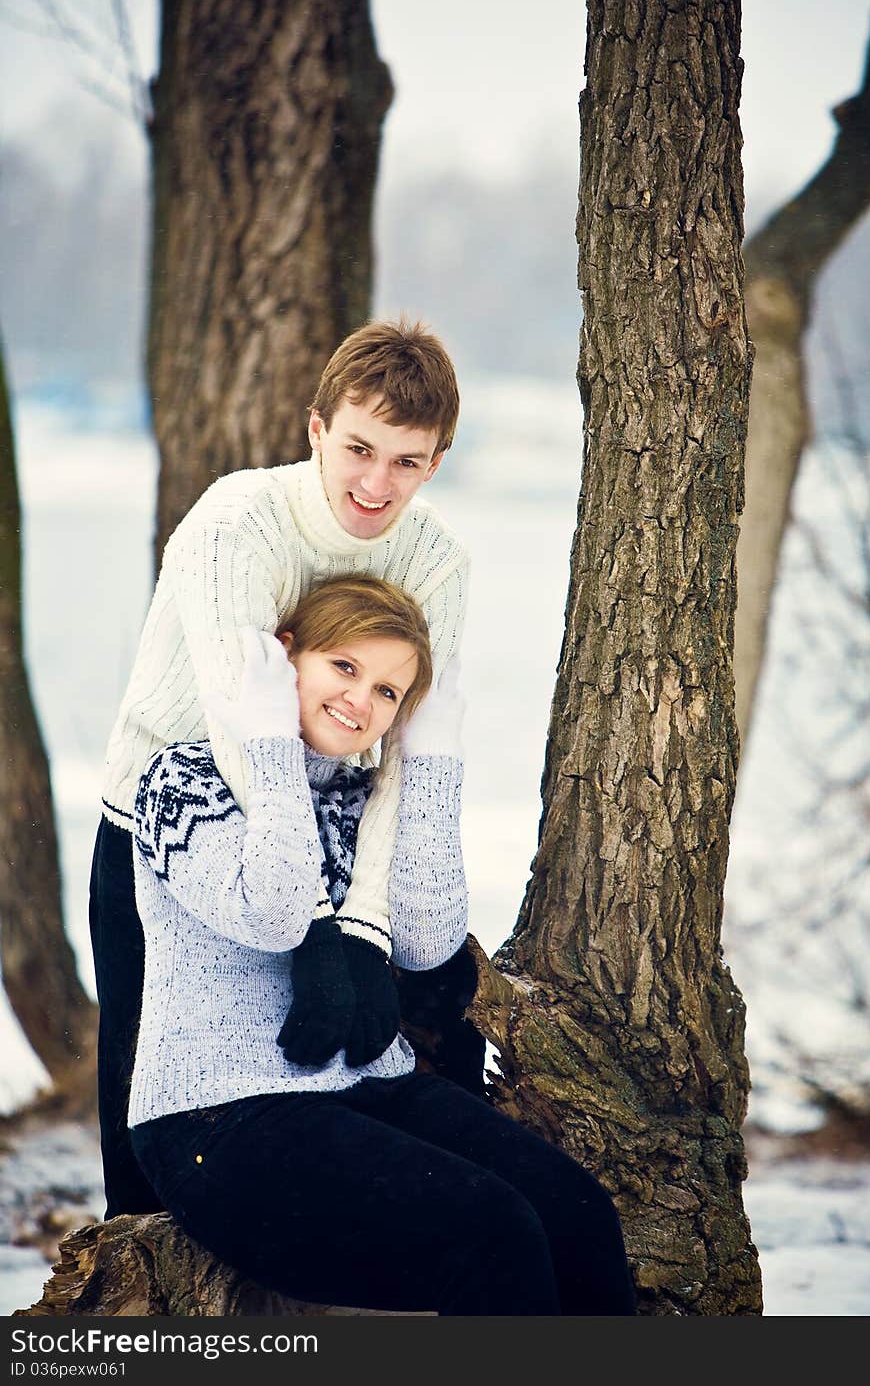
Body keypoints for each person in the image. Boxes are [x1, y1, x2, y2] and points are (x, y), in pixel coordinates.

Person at [129, 576, 636, 1316]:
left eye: (390, 693)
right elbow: (274, 914)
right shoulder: (184, 779)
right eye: (344, 667)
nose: (361, 702)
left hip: (368, 1087)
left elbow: (429, 941)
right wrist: (268, 739)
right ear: (286, 657)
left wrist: (427, 764)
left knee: (578, 1211)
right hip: (218, 1119)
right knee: (489, 1233)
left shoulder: (366, 797)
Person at [89, 319, 471, 1217]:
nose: (377, 485)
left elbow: (408, 751)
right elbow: (242, 722)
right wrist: (311, 927)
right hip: (171, 824)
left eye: (407, 462)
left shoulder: (439, 563)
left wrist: (367, 928)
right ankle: (137, 1308)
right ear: (315, 429)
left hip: (331, 828)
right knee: (149, 1089)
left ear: (437, 462)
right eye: (359, 449)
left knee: (346, 1064)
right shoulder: (238, 522)